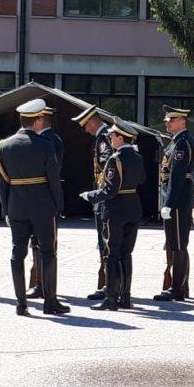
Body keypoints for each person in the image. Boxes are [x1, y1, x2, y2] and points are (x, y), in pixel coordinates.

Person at [0, 99, 68, 316]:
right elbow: (53, 179)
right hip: (43, 207)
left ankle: (21, 303)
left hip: (16, 207)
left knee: (17, 253)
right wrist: (58, 205)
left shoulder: (3, 146)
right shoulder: (46, 145)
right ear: (37, 120)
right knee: (48, 252)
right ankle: (50, 302)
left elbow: (3, 182)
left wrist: (6, 209)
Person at [81, 118, 145, 311]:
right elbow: (142, 179)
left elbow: (110, 190)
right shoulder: (137, 157)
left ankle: (111, 298)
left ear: (120, 138)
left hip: (116, 210)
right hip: (133, 206)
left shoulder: (115, 159)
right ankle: (125, 297)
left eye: (112, 136)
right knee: (126, 253)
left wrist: (90, 196)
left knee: (111, 253)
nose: (109, 139)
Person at [155, 105, 194, 301]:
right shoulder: (176, 141)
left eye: (172, 120)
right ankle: (181, 286)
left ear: (182, 121)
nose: (168, 123)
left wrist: (169, 203)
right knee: (175, 243)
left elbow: (177, 176)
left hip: (178, 200)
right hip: (174, 198)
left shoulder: (182, 143)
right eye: (167, 120)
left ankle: (177, 289)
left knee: (178, 244)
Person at [72, 105, 114, 300]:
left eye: (85, 125)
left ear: (92, 121)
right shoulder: (103, 137)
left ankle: (109, 285)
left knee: (106, 241)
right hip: (102, 195)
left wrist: (98, 194)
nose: (84, 129)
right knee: (104, 241)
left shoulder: (104, 138)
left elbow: (107, 165)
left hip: (104, 197)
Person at [28, 106, 64, 298]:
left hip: (44, 198)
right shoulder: (49, 139)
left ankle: (44, 285)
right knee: (38, 243)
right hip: (42, 198)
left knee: (45, 245)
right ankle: (42, 284)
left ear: (41, 119)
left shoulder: (49, 140)